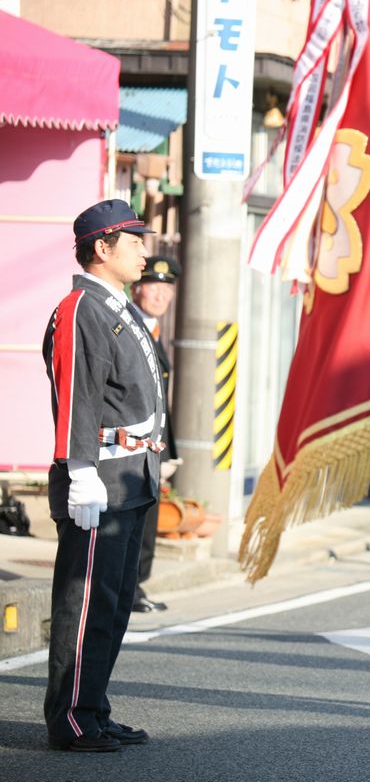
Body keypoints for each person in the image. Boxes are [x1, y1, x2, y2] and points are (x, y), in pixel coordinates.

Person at [42, 200, 165, 751]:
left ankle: (93, 705)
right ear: (102, 248)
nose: (146, 249)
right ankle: (70, 717)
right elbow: (77, 397)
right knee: (85, 602)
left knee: (111, 603)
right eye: (135, 240)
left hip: (132, 475)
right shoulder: (79, 308)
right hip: (102, 477)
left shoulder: (114, 304)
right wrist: (80, 471)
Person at [128, 255, 182, 613]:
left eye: (167, 288)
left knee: (147, 518)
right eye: (153, 287)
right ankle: (127, 589)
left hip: (154, 444)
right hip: (134, 445)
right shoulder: (132, 327)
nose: (161, 295)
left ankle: (136, 586)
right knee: (134, 521)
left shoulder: (155, 330)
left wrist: (169, 451)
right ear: (137, 288)